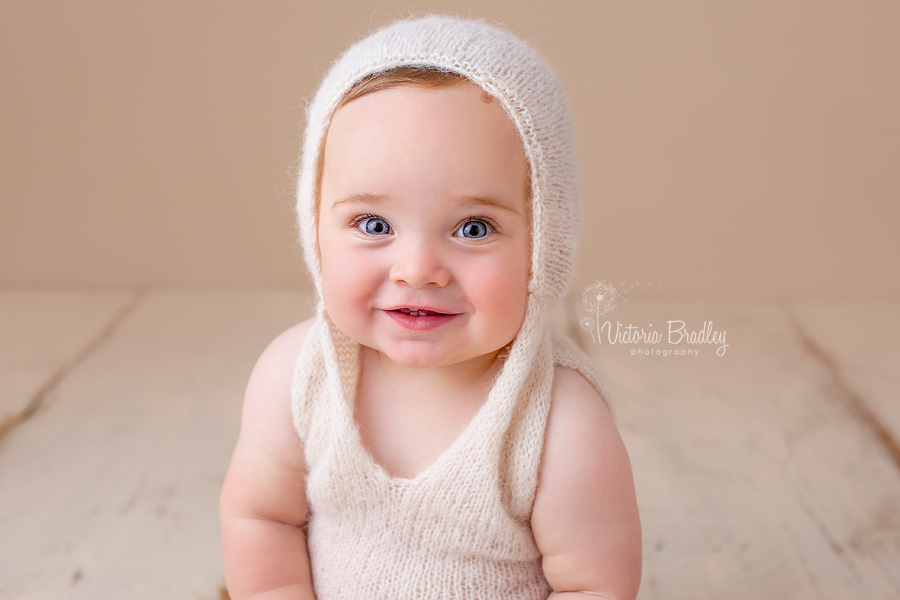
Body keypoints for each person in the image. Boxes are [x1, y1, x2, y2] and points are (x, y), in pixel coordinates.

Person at [220, 14, 641, 600]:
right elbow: (262, 519)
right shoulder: (294, 377)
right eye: (373, 224)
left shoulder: (558, 422)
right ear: (315, 228)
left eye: (473, 228)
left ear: (546, 242)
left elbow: (594, 586)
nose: (417, 269)